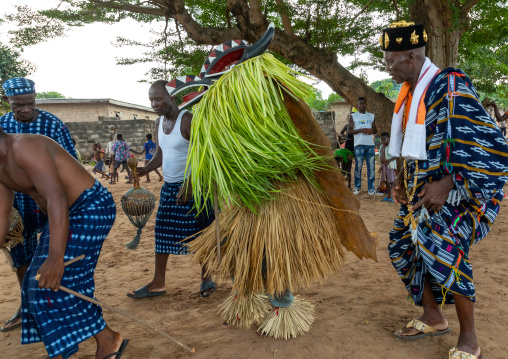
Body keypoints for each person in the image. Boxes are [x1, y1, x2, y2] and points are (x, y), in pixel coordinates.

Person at [381, 20, 508, 359]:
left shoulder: (449, 85)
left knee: (444, 251)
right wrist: (397, 180)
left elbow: (487, 140)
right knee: (403, 246)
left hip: (453, 196)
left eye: (390, 60)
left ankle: (470, 341)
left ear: (410, 55)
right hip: (420, 194)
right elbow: (411, 147)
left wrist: (448, 183)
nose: (387, 67)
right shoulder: (408, 95)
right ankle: (433, 316)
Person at [0, 128, 128, 359]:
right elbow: (1, 216)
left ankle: (104, 340)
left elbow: (57, 197)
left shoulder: (24, 147)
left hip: (90, 206)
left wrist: (55, 257)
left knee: (50, 281)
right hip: (62, 214)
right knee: (34, 284)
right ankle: (107, 339)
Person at [0, 77, 77, 333]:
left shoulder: (53, 125)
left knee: (53, 255)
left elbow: (72, 167)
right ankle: (27, 306)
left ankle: (56, 307)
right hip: (18, 203)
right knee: (20, 254)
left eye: (30, 104)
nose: (25, 110)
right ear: (6, 102)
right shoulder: (3, 124)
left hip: (50, 201)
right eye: (17, 105)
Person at [127, 80, 216, 299]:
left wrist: (191, 184)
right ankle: (158, 283)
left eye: (158, 99)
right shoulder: (158, 123)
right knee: (162, 234)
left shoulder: (187, 119)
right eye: (151, 100)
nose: (154, 104)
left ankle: (207, 278)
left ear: (171, 98)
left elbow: (203, 156)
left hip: (194, 188)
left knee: (201, 233)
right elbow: (160, 153)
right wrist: (144, 169)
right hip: (170, 188)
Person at [348, 97, 377, 195]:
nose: (362, 105)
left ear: (366, 104)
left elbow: (375, 130)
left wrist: (371, 131)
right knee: (358, 166)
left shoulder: (371, 116)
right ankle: (357, 188)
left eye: (364, 103)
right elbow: (349, 131)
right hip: (359, 145)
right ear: (358, 105)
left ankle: (371, 189)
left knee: (371, 167)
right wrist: (361, 130)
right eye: (360, 103)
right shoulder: (353, 116)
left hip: (370, 145)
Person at [378, 132, 396, 203]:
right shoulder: (381, 147)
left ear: (389, 139)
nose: (383, 141)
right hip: (383, 166)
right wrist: (380, 167)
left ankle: (393, 197)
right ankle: (389, 197)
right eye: (381, 140)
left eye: (384, 139)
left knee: (391, 182)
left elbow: (396, 155)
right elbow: (380, 156)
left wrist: (389, 160)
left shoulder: (391, 147)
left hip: (389, 166)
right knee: (386, 182)